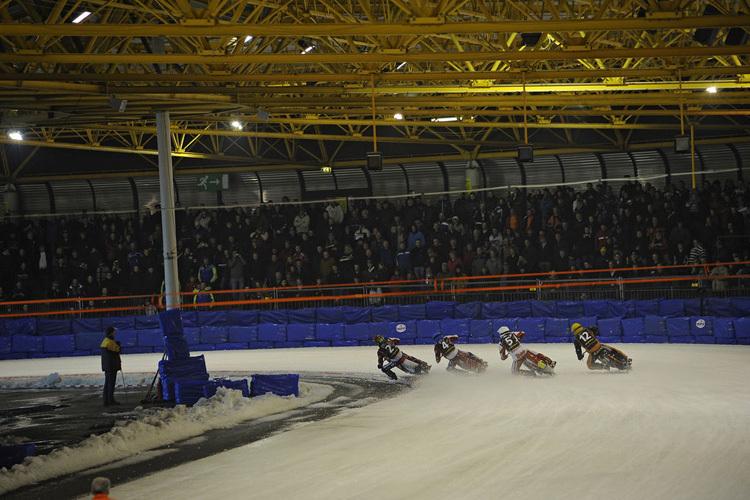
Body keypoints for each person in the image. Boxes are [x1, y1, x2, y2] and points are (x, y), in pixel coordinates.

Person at [100, 327, 121, 406]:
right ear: (111, 333)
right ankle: (110, 400)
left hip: (106, 366)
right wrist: (118, 345)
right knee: (111, 384)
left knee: (107, 384)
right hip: (112, 366)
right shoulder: (110, 343)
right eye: (114, 332)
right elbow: (117, 351)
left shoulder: (104, 342)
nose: (115, 334)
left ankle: (106, 400)